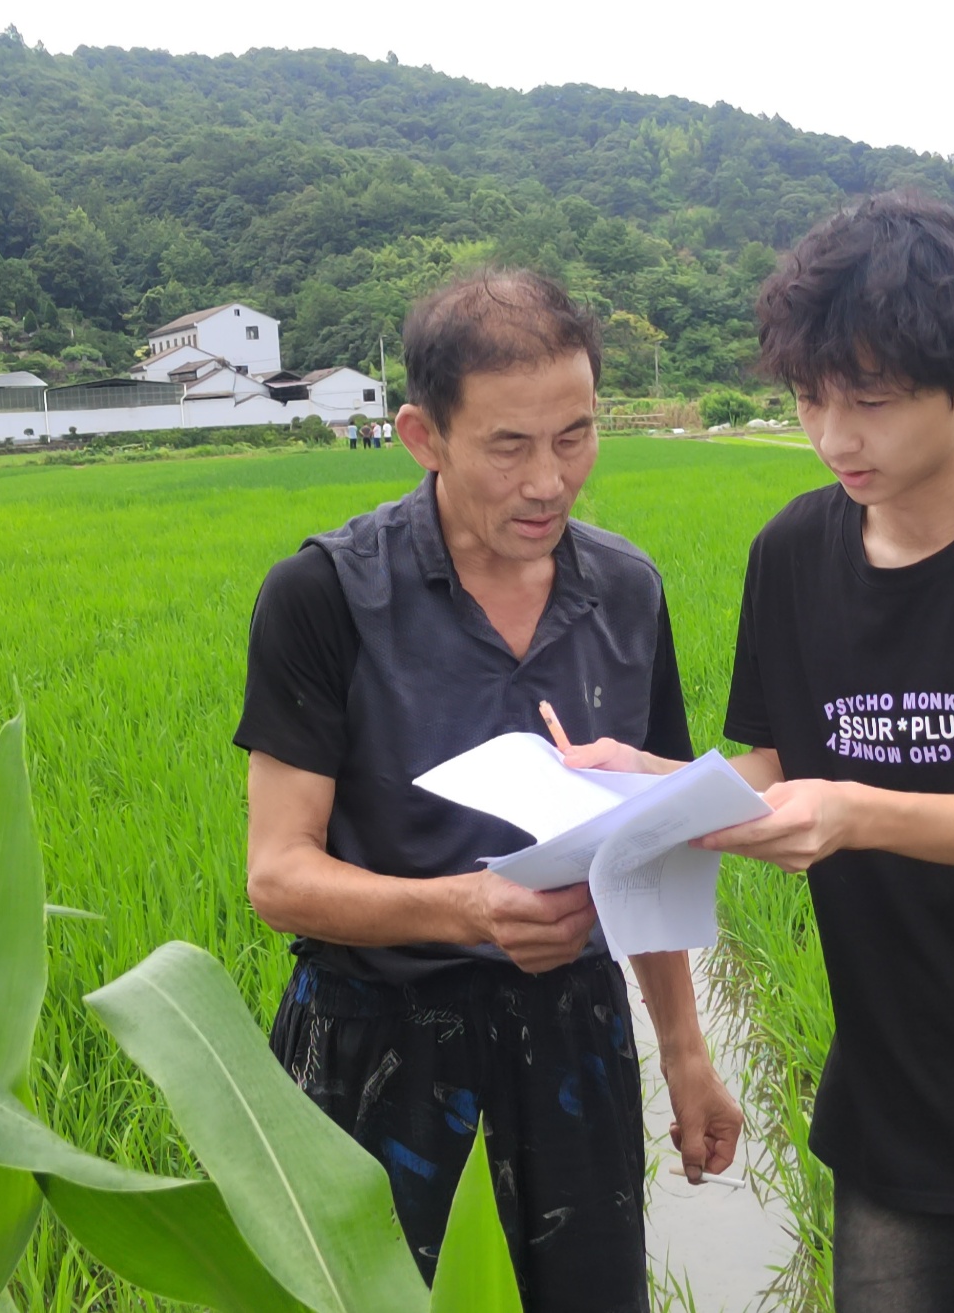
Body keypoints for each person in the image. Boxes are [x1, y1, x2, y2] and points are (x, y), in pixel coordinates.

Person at [566, 193, 954, 1312]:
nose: (833, 438)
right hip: (897, 1097)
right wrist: (645, 781)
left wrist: (860, 811)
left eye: (868, 402)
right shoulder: (790, 554)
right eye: (809, 399)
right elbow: (779, 768)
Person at [234, 269, 742, 1313]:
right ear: (423, 436)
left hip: (572, 1040)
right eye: (509, 445)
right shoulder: (324, 596)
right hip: (378, 1042)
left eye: (575, 435)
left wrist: (686, 1054)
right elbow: (278, 876)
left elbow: (649, 840)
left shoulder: (627, 591)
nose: (549, 481)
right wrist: (467, 907)